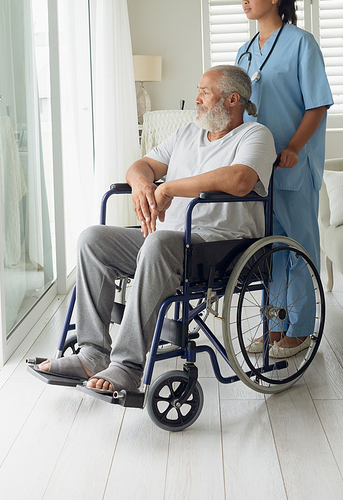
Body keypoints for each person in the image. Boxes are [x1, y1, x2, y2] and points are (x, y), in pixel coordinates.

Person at [36, 65, 276, 393]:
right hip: (165, 241)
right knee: (92, 239)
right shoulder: (188, 133)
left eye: (205, 92)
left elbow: (240, 179)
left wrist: (169, 188)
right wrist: (142, 185)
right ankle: (92, 353)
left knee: (158, 242)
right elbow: (142, 165)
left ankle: (128, 365)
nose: (197, 99)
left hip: (218, 246)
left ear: (232, 99)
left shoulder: (255, 135)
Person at [236, 0, 333, 357]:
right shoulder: (243, 52)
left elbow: (318, 104)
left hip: (293, 164)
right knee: (269, 249)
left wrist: (292, 147)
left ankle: (301, 328)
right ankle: (275, 325)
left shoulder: (301, 42)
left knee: (299, 245)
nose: (244, 0)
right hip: (259, 168)